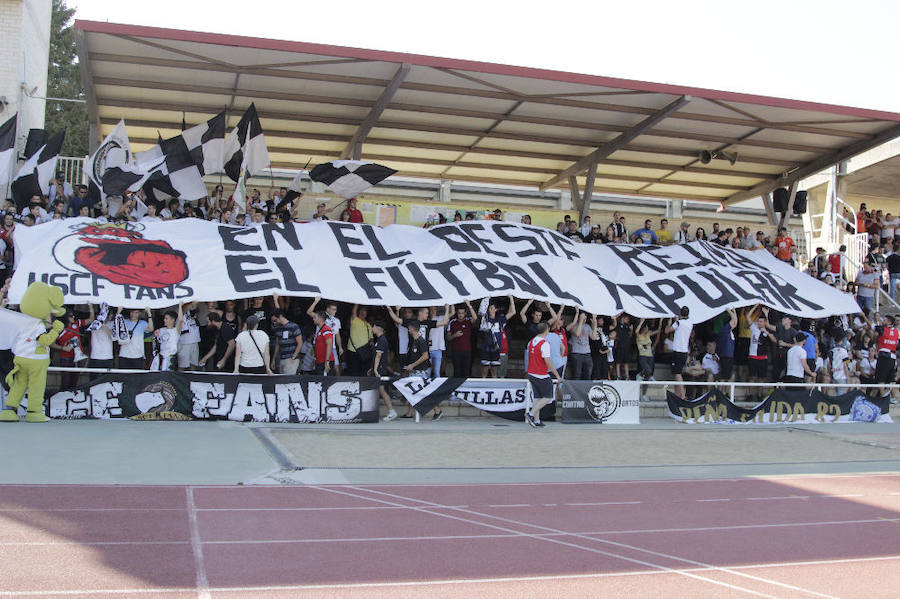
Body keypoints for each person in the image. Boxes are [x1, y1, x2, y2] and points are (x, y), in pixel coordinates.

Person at [525, 322, 562, 428]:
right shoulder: (544, 343)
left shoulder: (531, 342)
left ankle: (536, 420)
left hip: (531, 373)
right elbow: (548, 361)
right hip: (540, 374)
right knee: (548, 396)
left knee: (537, 397)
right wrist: (557, 375)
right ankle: (531, 414)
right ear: (547, 330)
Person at [475, 297, 516, 378]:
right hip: (485, 348)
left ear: (496, 309)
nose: (489, 309)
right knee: (484, 371)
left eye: (491, 308)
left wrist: (511, 298)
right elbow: (481, 311)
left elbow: (513, 312)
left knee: (494, 371)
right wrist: (487, 298)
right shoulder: (484, 320)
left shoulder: (500, 320)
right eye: (489, 308)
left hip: (496, 349)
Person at [369, 321, 397, 421]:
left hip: (380, 369)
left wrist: (376, 369)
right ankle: (373, 411)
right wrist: (372, 368)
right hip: (377, 368)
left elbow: (378, 355)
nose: (372, 328)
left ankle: (391, 411)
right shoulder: (378, 340)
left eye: (373, 326)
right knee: (377, 390)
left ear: (378, 328)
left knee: (382, 390)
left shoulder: (382, 340)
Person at [308, 297, 343, 375]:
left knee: (335, 367)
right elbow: (309, 312)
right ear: (327, 309)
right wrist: (315, 301)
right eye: (333, 309)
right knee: (316, 366)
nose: (335, 311)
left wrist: (340, 346)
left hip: (331, 346)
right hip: (318, 344)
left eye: (335, 309)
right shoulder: (321, 316)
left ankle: (337, 384)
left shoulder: (337, 320)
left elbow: (337, 334)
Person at [665, 306, 693, 399]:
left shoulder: (678, 323)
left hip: (678, 350)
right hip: (684, 351)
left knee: (677, 373)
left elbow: (667, 331)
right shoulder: (690, 324)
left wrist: (670, 321)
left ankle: (683, 394)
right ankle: (678, 395)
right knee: (678, 373)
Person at [150, 303, 183, 371]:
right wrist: (155, 335)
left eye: (166, 318)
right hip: (160, 357)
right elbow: (155, 342)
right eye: (164, 318)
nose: (164, 320)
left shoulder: (176, 330)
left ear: (173, 320)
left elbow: (180, 320)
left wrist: (180, 305)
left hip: (170, 358)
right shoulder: (161, 330)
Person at [448, 303, 476, 377]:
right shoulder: (452, 322)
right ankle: (456, 387)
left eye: (462, 313)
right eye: (459, 313)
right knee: (457, 371)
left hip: (467, 350)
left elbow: (475, 318)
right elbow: (448, 337)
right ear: (457, 313)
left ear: (465, 313)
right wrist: (455, 335)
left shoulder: (468, 321)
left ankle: (466, 388)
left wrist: (470, 306)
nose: (461, 315)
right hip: (456, 351)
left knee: (467, 370)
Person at [271, 308, 303, 375]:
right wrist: (274, 359)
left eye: (275, 320)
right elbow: (277, 344)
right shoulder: (277, 328)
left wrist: (293, 357)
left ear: (280, 316)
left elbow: (300, 343)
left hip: (291, 358)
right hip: (282, 358)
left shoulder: (294, 326)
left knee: (288, 381)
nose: (274, 322)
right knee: (282, 381)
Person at [345, 304, 374, 376]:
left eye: (365, 311)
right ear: (358, 312)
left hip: (364, 352)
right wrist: (357, 301)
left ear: (367, 314)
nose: (363, 312)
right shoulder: (354, 319)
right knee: (353, 371)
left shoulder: (368, 325)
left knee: (363, 371)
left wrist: (371, 342)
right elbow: (353, 311)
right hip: (353, 350)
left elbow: (371, 338)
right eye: (361, 311)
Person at [565, 308, 592, 380]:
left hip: (587, 353)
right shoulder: (574, 326)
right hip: (577, 353)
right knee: (577, 374)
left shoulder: (587, 326)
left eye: (585, 318)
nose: (584, 320)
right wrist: (580, 321)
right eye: (582, 318)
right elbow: (577, 333)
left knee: (587, 374)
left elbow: (593, 337)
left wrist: (594, 323)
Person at [177, 302, 201, 371]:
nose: (191, 306)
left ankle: (192, 380)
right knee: (182, 365)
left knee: (193, 364)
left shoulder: (193, 312)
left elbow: (196, 304)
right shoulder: (180, 313)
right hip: (184, 342)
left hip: (195, 340)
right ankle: (178, 381)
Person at [311, 310, 334, 375]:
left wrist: (327, 361)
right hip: (320, 362)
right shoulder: (320, 330)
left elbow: (329, 345)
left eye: (315, 317)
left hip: (325, 362)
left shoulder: (326, 329)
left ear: (320, 319)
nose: (313, 319)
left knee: (325, 383)